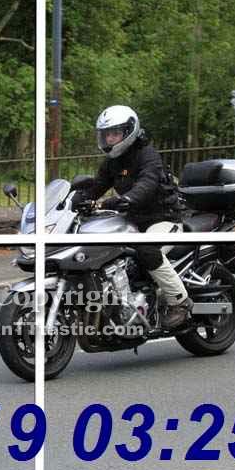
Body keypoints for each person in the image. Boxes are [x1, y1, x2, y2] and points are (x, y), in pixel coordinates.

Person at [74, 105, 191, 330]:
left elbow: (147, 183)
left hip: (163, 218)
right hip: (133, 220)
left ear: (129, 132)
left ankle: (180, 302)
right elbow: (97, 186)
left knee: (146, 248)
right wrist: (75, 200)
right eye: (106, 134)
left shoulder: (147, 155)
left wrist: (128, 198)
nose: (109, 138)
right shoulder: (112, 161)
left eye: (115, 133)